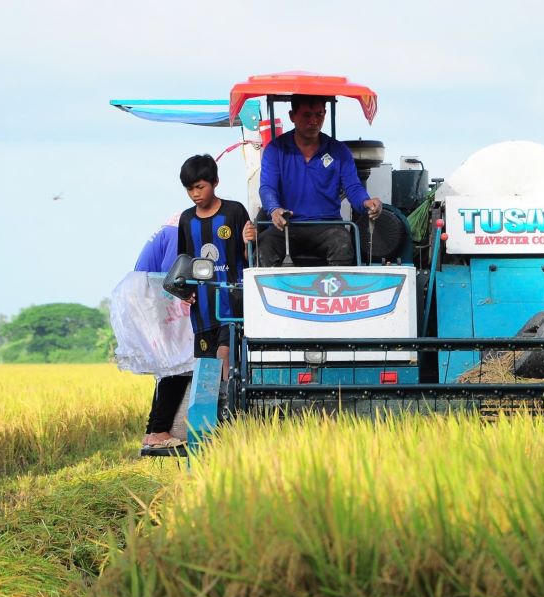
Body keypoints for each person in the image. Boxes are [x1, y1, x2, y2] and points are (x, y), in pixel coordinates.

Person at [257, 94, 382, 266]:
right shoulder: (275, 149)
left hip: (328, 226)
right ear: (292, 116)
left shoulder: (339, 151)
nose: (314, 121)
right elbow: (267, 188)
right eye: (307, 115)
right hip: (287, 227)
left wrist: (367, 202)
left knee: (342, 243)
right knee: (265, 246)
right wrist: (274, 209)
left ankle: (341, 292)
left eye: (319, 115)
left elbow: (353, 187)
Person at [176, 153, 256, 382]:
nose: (195, 194)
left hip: (232, 301)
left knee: (224, 354)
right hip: (201, 308)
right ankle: (211, 415)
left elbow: (249, 257)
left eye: (200, 187)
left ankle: (228, 410)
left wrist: (250, 241)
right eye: (189, 189)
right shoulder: (186, 220)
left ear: (215, 183)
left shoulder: (234, 212)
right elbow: (183, 264)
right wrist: (184, 294)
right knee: (206, 366)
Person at [133, 213, 191, 450]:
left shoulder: (175, 223)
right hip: (156, 297)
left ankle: (152, 431)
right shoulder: (179, 232)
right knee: (176, 364)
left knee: (168, 366)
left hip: (149, 296)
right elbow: (171, 276)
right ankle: (159, 430)